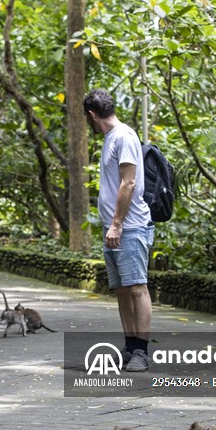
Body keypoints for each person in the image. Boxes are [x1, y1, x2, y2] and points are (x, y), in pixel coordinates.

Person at [83, 89, 154, 372]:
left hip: (130, 227)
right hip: (114, 229)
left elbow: (129, 183)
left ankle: (142, 352)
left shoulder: (123, 136)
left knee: (137, 288)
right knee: (122, 290)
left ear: (91, 115)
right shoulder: (112, 138)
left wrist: (117, 224)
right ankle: (129, 347)